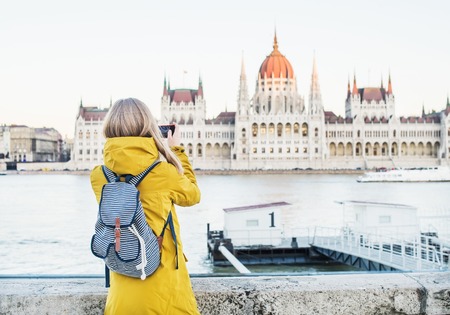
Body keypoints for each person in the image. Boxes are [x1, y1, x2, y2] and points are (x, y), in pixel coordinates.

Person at [90, 97, 201, 314]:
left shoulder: (99, 176)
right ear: (148, 127)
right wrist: (176, 151)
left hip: (121, 290)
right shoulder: (163, 173)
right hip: (164, 293)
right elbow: (193, 195)